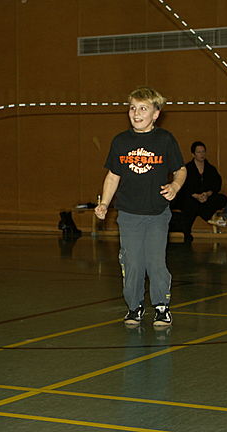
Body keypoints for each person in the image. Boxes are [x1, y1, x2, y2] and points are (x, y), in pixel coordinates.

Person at [94, 87, 186, 327]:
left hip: (157, 213)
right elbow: (113, 176)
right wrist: (104, 203)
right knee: (132, 263)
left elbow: (180, 170)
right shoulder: (121, 141)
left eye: (143, 109)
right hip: (128, 214)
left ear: (155, 114)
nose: (136, 113)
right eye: (132, 108)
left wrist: (175, 186)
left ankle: (161, 306)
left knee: (155, 262)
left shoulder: (165, 139)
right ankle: (134, 307)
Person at [173, 141, 227, 241]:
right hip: (191, 197)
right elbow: (183, 186)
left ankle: (207, 215)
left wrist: (207, 194)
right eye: (198, 152)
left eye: (203, 152)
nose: (202, 154)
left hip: (206, 198)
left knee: (222, 199)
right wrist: (196, 195)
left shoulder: (211, 169)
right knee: (190, 203)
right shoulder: (187, 169)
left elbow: (216, 184)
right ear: (193, 154)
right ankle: (208, 217)